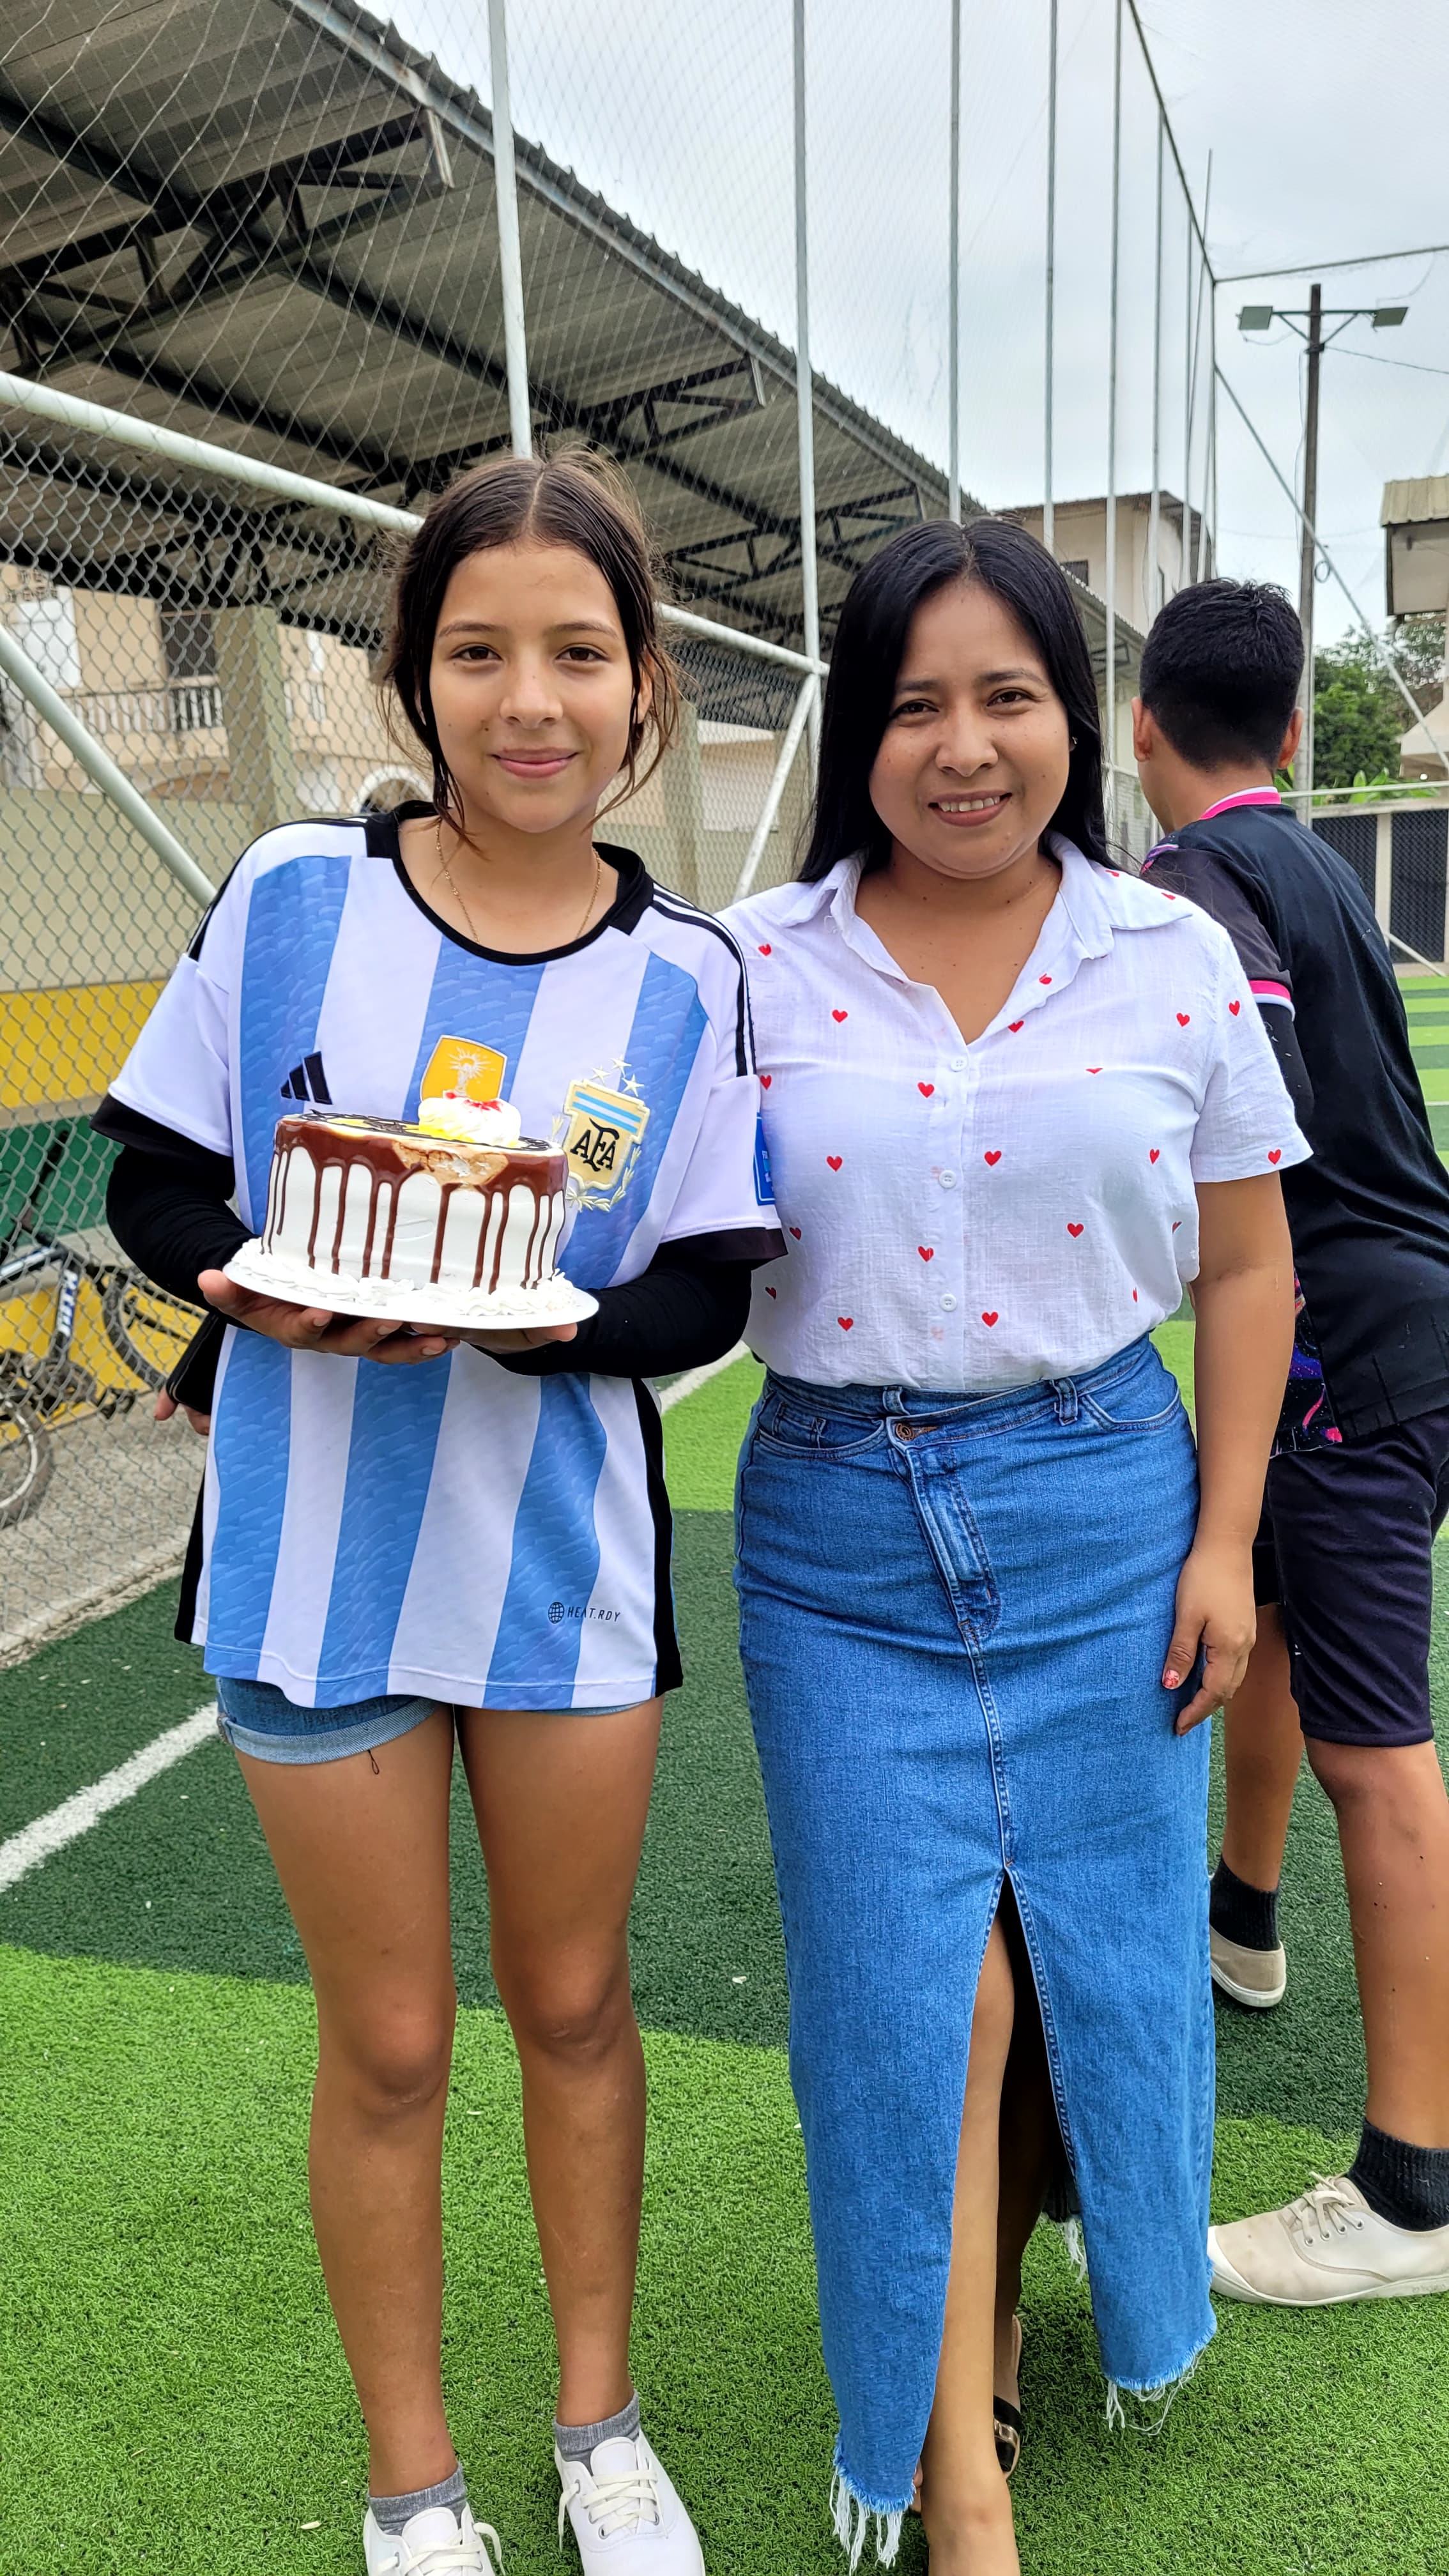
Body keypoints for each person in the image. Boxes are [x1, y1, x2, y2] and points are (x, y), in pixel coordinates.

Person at [93, 452, 781, 2576]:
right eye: (478, 652)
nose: (528, 701)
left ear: (645, 683)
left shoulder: (689, 978)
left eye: (576, 653)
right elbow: (157, 1181)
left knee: (573, 2008)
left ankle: (601, 2436)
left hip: (562, 1582)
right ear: (413, 676)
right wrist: (262, 1287)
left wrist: (523, 1321)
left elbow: (701, 1283)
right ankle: (416, 2492)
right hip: (308, 1567)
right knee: (388, 2043)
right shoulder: (293, 893)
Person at [725, 518, 1301, 2573]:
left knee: (1095, 1974)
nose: (960, 747)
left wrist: (1225, 1544)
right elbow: (625, 1211)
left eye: (1006, 697)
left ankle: (1006, 2330)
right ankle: (954, 2471)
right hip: (834, 1541)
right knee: (914, 2002)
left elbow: (1248, 1266)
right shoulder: (750, 962)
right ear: (855, 734)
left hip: (1104, 1517)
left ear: (1080, 713)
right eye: (912, 706)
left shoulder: (1167, 954)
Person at [1134, 577, 1449, 2304]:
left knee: (1375, 1752)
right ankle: (1240, 1925)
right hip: (1398, 1321)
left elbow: (1238, 1121)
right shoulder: (1312, 858)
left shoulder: (1194, 880)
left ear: (1137, 725)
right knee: (1254, 1610)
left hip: (1342, 1352)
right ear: (1288, 728)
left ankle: (1414, 2192)